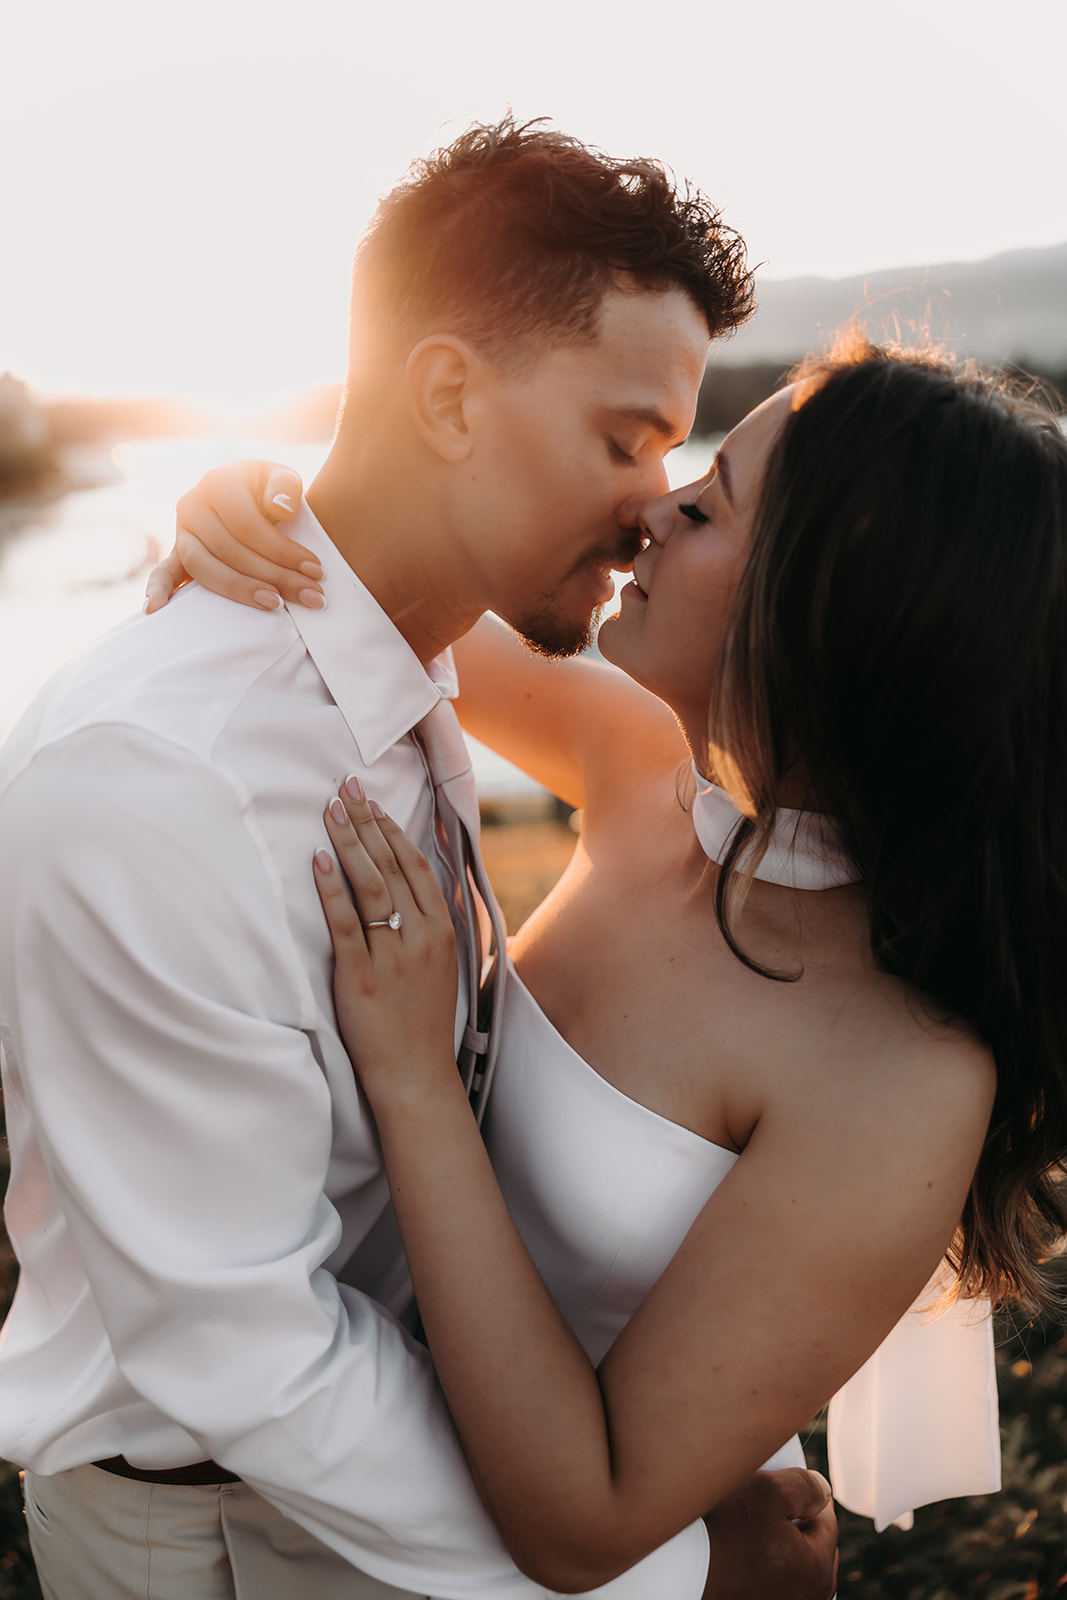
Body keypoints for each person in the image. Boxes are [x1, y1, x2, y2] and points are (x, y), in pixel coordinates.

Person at [0, 118, 840, 1600]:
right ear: (447, 394)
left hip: (401, 1468)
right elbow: (241, 1343)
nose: (656, 501)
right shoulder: (156, 781)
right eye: (623, 437)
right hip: (223, 1534)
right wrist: (664, 1575)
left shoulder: (410, 665)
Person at [160, 331, 1067, 1586]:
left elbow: (584, 1518)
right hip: (346, 1474)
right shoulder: (643, 766)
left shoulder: (897, 1072)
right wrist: (239, 509)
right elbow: (351, 593)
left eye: (706, 505)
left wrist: (417, 1080)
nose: (650, 506)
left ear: (829, 613)